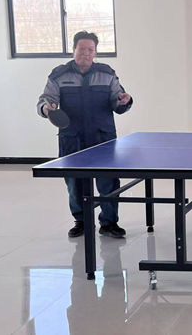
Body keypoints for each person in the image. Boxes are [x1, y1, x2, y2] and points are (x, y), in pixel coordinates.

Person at [37, 30, 133, 238]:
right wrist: (47, 108)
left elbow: (118, 100)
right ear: (74, 50)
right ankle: (82, 221)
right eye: (82, 49)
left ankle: (109, 223)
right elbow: (45, 100)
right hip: (72, 139)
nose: (86, 53)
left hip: (103, 139)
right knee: (75, 184)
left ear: (95, 52)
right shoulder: (59, 75)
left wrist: (124, 101)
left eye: (90, 49)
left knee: (108, 182)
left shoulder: (107, 73)